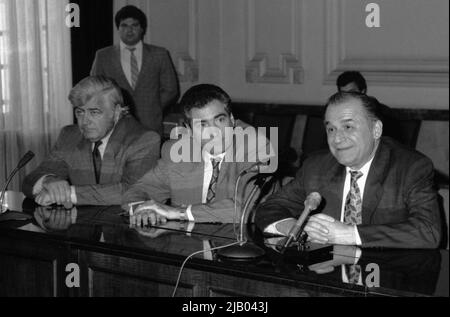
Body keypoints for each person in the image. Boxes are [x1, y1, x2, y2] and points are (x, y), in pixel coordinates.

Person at [255, 92, 441, 249]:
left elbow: (429, 231)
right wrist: (296, 229)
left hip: (386, 277)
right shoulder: (316, 167)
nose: (337, 139)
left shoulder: (410, 168)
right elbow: (268, 209)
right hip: (329, 276)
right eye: (331, 129)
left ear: (376, 129)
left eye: (348, 126)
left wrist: (349, 234)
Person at [122, 84, 276, 225]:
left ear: (232, 120)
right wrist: (142, 209)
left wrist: (178, 213)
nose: (214, 132)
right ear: (188, 130)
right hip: (188, 247)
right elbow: (138, 191)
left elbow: (247, 207)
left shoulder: (256, 146)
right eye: (202, 124)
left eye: (220, 120)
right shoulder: (178, 151)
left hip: (241, 246)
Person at [22, 76, 161, 206]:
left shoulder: (144, 140)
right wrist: (49, 181)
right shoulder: (69, 136)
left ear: (117, 112)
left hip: (126, 228)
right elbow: (29, 181)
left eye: (94, 112)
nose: (85, 122)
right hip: (81, 227)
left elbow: (133, 191)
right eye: (80, 112)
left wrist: (67, 194)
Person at [90, 5, 179, 135]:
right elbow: (95, 89)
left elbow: (171, 89)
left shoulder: (159, 54)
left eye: (134, 25)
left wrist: (154, 106)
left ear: (142, 28)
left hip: (150, 125)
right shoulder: (103, 56)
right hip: (114, 126)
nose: (129, 30)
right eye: (124, 26)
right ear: (118, 29)